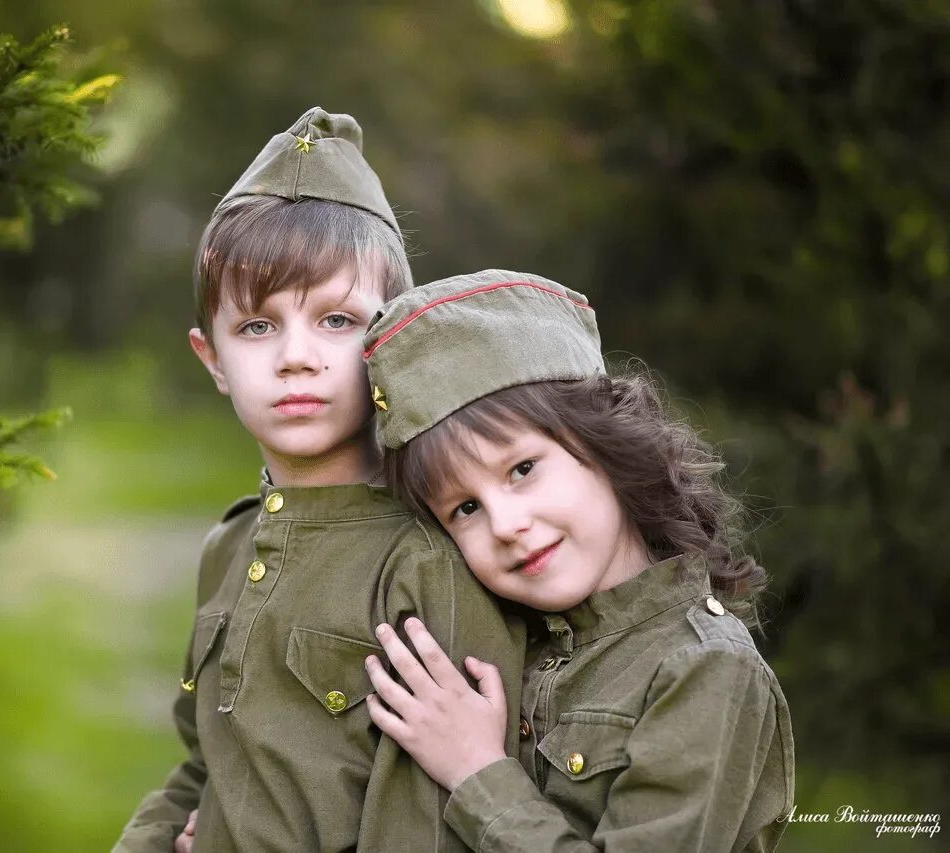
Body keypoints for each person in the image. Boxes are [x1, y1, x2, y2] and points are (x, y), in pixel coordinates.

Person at [114, 115, 528, 853]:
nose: (296, 358)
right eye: (258, 327)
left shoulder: (427, 561)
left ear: (392, 341)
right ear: (211, 358)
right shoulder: (229, 545)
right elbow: (205, 760)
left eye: (336, 320)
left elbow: (441, 815)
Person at [359, 269, 795, 851]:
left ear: (607, 442)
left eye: (522, 469)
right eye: (464, 508)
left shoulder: (706, 670)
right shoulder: (511, 641)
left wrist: (476, 772)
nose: (506, 525)